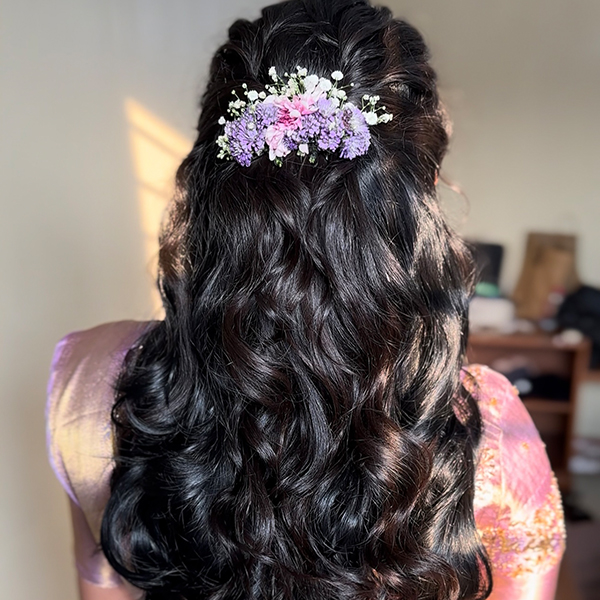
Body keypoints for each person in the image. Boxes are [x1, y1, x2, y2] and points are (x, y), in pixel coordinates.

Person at [46, 1, 566, 599]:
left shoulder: (89, 376)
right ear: (416, 192)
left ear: (213, 178)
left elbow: (103, 586)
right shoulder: (488, 430)